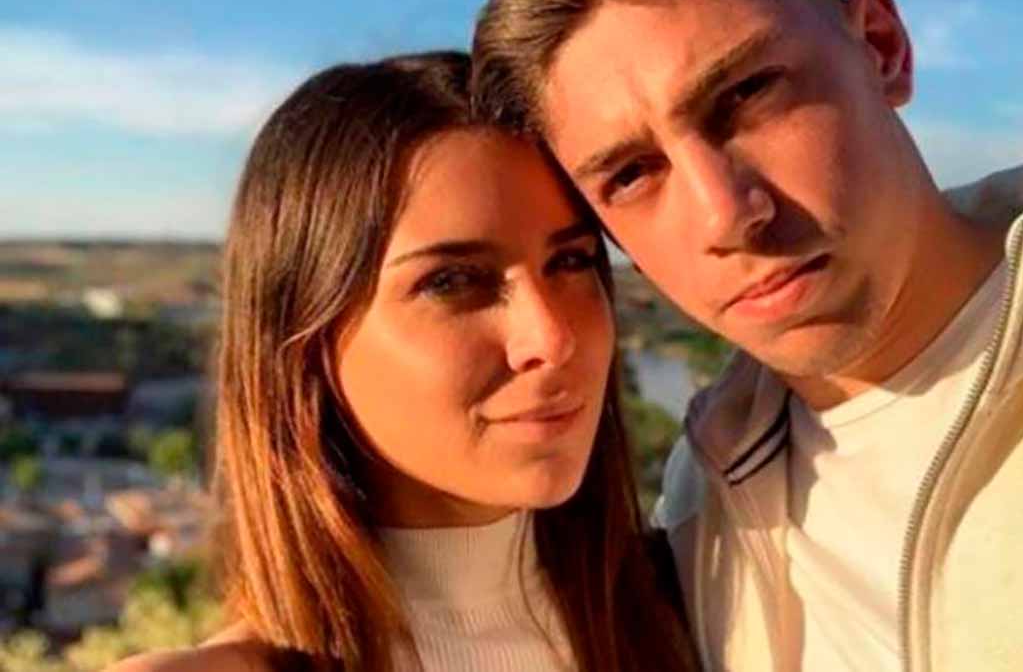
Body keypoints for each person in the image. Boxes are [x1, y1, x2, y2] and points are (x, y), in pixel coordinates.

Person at [470, 0, 1023, 670]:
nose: (725, 214)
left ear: (881, 46)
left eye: (748, 94)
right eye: (632, 175)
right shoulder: (704, 504)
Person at [109, 52, 698, 672]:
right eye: (451, 281)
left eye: (572, 261)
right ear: (306, 341)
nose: (551, 338)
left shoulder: (706, 601)